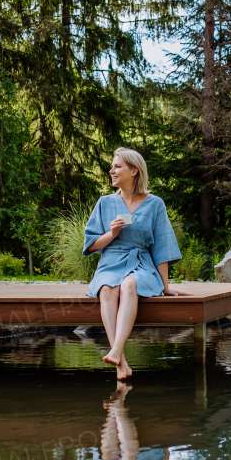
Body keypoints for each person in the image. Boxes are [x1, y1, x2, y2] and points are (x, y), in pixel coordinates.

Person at [84, 147, 189, 379]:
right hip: (110, 261)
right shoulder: (104, 203)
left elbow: (162, 246)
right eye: (112, 166)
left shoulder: (155, 204)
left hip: (141, 263)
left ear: (134, 171)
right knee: (107, 289)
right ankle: (120, 360)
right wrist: (111, 233)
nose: (111, 171)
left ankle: (116, 352)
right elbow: (91, 245)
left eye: (117, 166)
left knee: (129, 285)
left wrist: (165, 286)